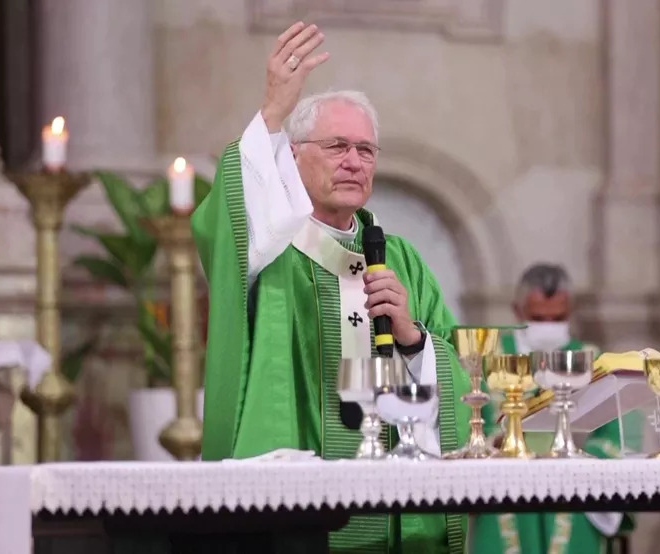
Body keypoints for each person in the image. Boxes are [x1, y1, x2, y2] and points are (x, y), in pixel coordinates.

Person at [191, 22, 470, 554]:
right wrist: (272, 112)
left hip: (397, 516)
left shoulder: (403, 261)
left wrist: (413, 341)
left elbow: (464, 378)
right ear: (292, 155)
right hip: (302, 516)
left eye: (366, 150)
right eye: (337, 146)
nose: (354, 161)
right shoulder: (273, 250)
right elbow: (226, 222)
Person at [470, 264, 637, 554]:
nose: (548, 325)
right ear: (517, 311)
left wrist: (581, 458)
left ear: (571, 311)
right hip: (503, 488)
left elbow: (616, 434)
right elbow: (469, 425)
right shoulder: (490, 358)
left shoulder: (591, 359)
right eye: (538, 318)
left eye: (557, 318)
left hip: (573, 491)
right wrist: (492, 443)